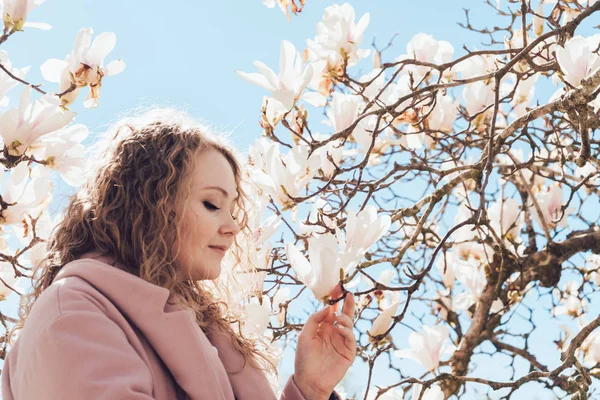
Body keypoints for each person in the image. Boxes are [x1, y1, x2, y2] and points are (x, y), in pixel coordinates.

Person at [1, 109, 356, 400]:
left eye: (234, 209)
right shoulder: (73, 317)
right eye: (211, 203)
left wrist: (309, 391)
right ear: (150, 203)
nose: (232, 226)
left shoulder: (205, 333)